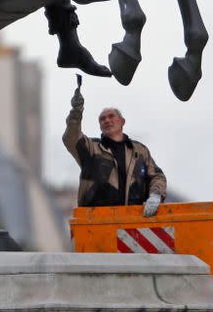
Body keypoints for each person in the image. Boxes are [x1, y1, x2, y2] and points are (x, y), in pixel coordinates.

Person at [63, 76, 166, 215]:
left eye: (111, 116)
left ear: (122, 121)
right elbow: (71, 138)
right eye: (102, 119)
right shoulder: (91, 148)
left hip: (133, 222)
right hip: (97, 223)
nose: (107, 120)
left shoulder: (139, 151)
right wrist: (76, 112)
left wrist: (155, 195)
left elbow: (156, 176)